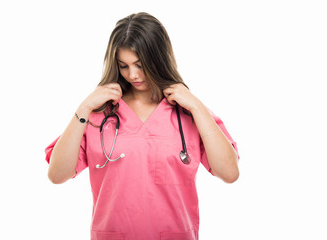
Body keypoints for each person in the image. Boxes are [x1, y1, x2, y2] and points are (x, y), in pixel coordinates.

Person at [45, 12, 239, 240]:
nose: (133, 75)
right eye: (124, 66)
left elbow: (229, 173)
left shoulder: (188, 113)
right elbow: (57, 175)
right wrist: (84, 108)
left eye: (140, 64)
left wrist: (197, 108)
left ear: (159, 59)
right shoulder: (100, 114)